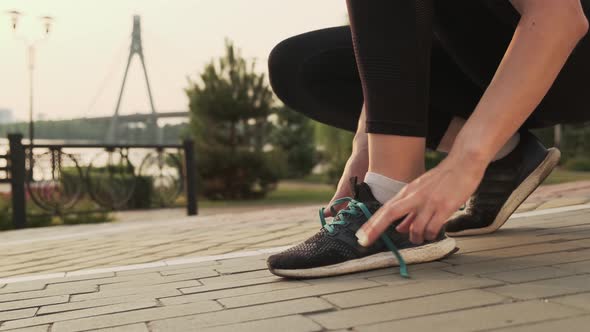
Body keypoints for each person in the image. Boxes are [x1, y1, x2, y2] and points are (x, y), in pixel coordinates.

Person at [266, 0, 590, 278]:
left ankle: (389, 200)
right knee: (301, 67)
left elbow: (559, 19)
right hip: (489, 55)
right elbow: (391, 40)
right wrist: (365, 149)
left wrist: (467, 159)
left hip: (571, 57)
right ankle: (507, 156)